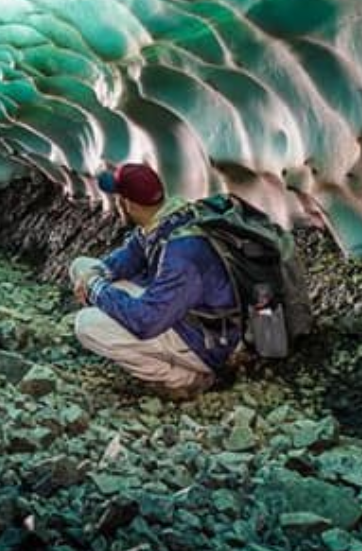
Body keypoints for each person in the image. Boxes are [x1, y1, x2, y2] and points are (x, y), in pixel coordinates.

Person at [69, 160, 241, 398]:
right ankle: (142, 349)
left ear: (125, 203)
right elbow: (127, 258)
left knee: (87, 325)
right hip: (177, 312)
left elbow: (146, 321)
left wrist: (95, 289)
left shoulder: (183, 252)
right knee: (82, 267)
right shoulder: (166, 220)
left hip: (205, 341)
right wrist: (94, 276)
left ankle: (187, 378)